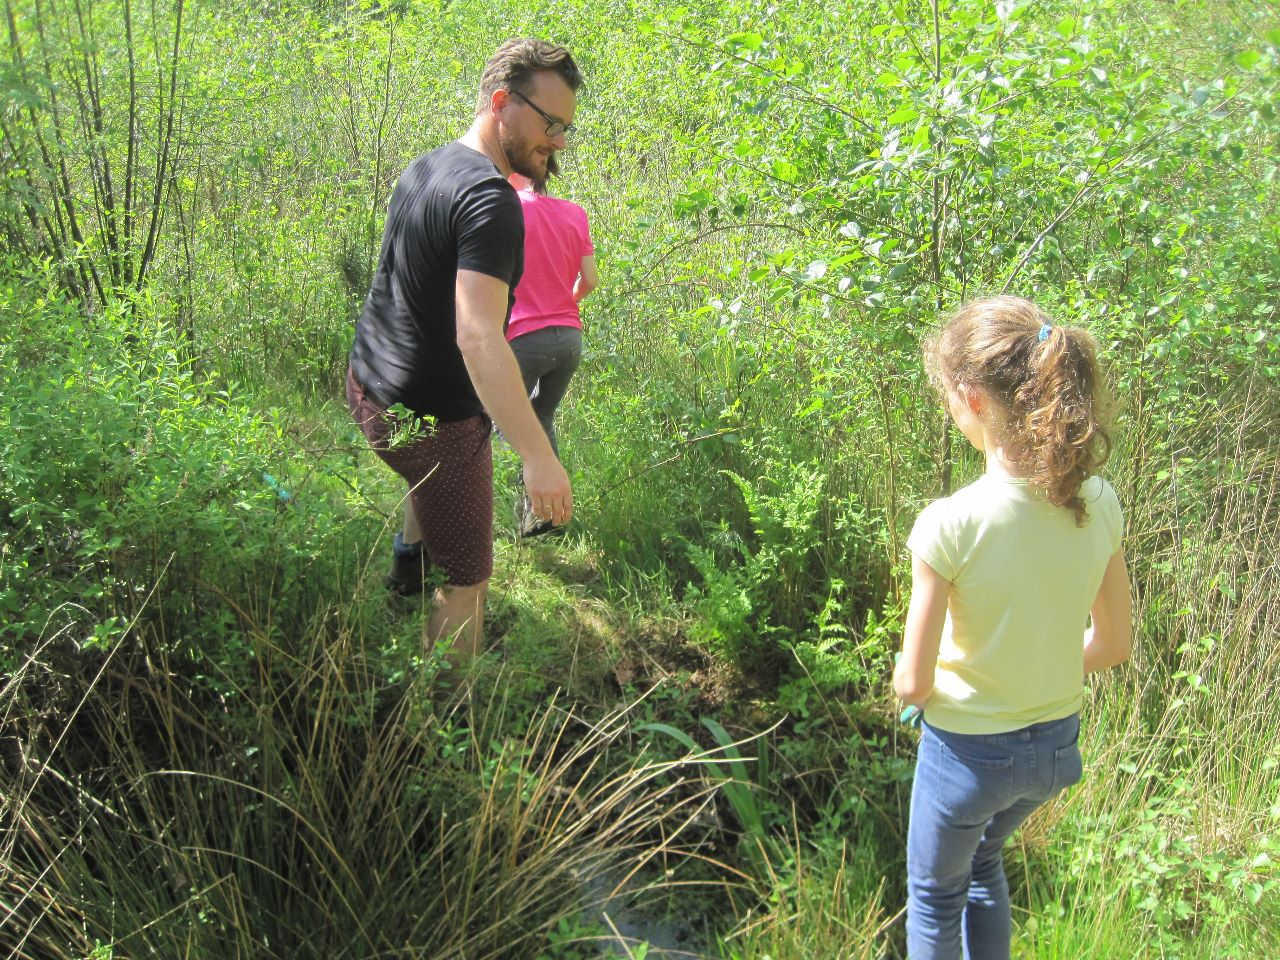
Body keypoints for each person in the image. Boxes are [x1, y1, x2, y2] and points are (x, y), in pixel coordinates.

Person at [893, 296, 1133, 959]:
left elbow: (912, 683)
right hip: (1054, 752)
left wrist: (922, 699)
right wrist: (1040, 660)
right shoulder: (1100, 501)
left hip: (968, 755)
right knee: (983, 867)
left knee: (934, 898)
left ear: (971, 398)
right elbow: (1113, 644)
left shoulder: (951, 522)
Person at [346, 39, 583, 663]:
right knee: (470, 578)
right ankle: (445, 729)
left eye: (565, 128)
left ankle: (405, 570)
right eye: (549, 123)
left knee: (430, 486)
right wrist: (537, 457)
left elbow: (401, 287)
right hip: (431, 423)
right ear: (501, 101)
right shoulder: (491, 201)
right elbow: (478, 335)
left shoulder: (427, 166)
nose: (557, 141)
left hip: (369, 388)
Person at [505, 163, 597, 537]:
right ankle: (547, 515)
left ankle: (519, 509)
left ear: (517, 175)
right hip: (570, 339)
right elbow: (590, 278)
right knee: (540, 417)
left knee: (501, 419)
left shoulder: (507, 208)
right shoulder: (575, 213)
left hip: (525, 337)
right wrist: (565, 302)